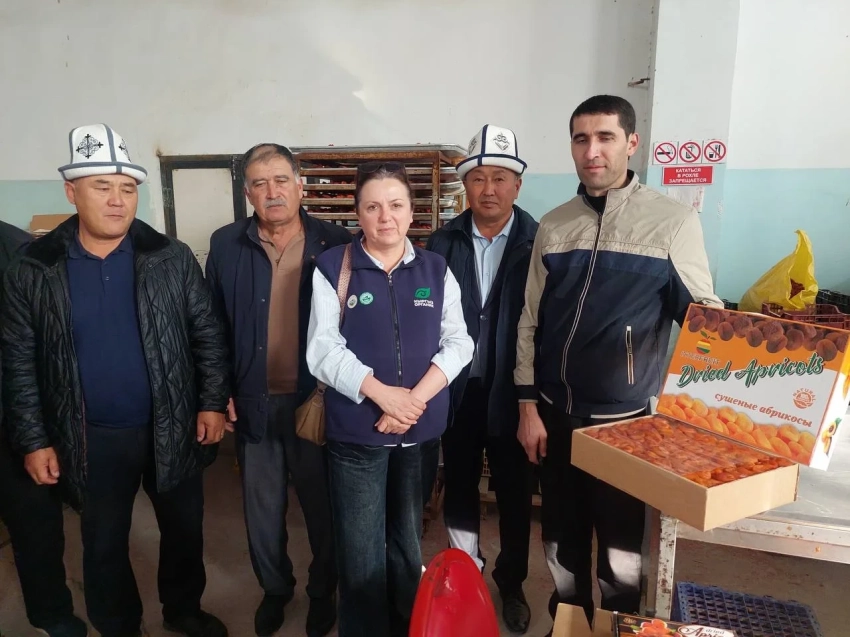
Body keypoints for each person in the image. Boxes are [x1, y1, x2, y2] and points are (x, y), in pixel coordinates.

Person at [0, 124, 230, 637]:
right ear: (71, 192)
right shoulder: (34, 268)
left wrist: (212, 402)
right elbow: (17, 361)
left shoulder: (170, 257)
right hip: (89, 434)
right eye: (101, 187)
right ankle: (119, 624)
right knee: (103, 542)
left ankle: (183, 610)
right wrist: (34, 440)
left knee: (183, 530)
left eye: (127, 188)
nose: (117, 200)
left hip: (171, 424)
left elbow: (207, 333)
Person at [513, 96, 723, 629]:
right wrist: (527, 406)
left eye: (605, 137)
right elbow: (530, 320)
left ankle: (617, 628)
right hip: (555, 415)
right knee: (560, 545)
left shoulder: (671, 223)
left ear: (631, 143)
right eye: (581, 139)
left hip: (626, 427)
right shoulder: (555, 225)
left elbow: (703, 322)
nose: (592, 151)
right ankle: (569, 625)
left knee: (621, 558)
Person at [306, 162, 473, 636]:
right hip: (358, 434)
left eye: (396, 205)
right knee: (360, 549)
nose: (385, 217)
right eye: (373, 207)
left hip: (419, 432)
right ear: (358, 213)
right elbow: (322, 350)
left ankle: (407, 623)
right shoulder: (334, 268)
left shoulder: (435, 270)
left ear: (412, 211)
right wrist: (381, 395)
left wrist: (412, 402)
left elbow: (459, 342)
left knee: (407, 540)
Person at [205, 143, 349, 637]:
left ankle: (322, 592)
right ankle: (275, 589)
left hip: (318, 401)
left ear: (300, 185)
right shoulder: (227, 244)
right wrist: (217, 391)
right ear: (247, 193)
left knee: (322, 507)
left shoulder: (335, 243)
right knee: (262, 510)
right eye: (260, 183)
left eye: (281, 180)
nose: (273, 192)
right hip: (253, 401)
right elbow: (212, 325)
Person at [425, 125, 539, 634]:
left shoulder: (540, 242)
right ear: (465, 186)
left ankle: (511, 583)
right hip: (458, 391)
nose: (488, 189)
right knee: (460, 486)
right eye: (478, 178)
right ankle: (465, 573)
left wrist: (534, 398)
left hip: (515, 393)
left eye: (500, 178)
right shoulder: (441, 242)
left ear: (517, 185)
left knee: (515, 492)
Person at [0, 220, 88, 637]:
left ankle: (51, 616)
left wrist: (36, 436)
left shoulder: (17, 249)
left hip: (14, 421)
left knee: (36, 528)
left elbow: (44, 346)